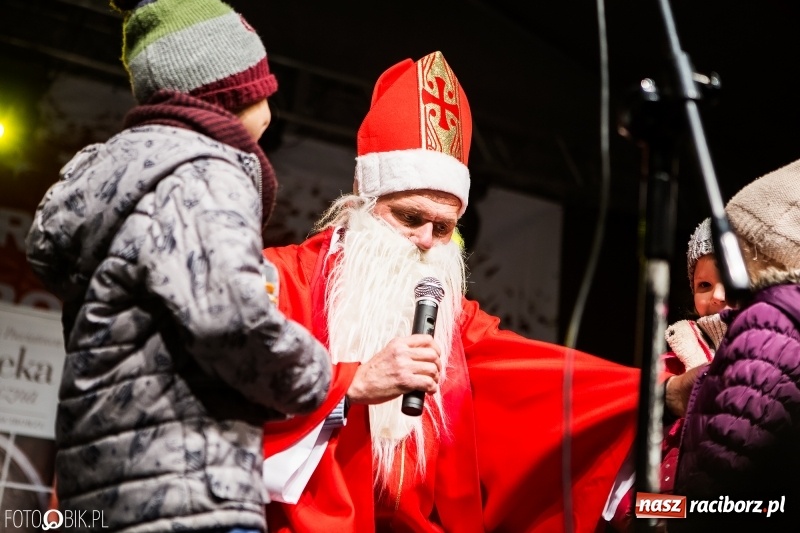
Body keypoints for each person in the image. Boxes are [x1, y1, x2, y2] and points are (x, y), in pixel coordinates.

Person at [259, 50, 640, 532]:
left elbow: (545, 381)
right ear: (363, 195)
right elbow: (230, 396)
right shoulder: (281, 279)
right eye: (410, 218)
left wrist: (656, 393)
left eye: (443, 228)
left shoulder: (451, 318)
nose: (425, 241)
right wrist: (351, 385)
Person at [24, 1, 331, 531]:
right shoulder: (202, 172)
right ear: (232, 93)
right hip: (188, 494)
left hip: (106, 496)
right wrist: (315, 373)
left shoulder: (131, 176)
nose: (271, 102)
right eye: (263, 86)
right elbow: (231, 320)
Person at [673, 158, 800, 529]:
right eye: (702, 285)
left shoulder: (770, 324)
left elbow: (721, 489)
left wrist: (652, 512)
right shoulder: (675, 351)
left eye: (734, 272)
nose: (718, 296)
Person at [608, 218, 730, 531]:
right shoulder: (668, 371)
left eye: (728, 279)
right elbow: (627, 503)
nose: (716, 295)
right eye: (704, 285)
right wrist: (678, 513)